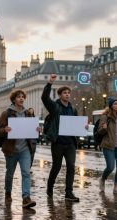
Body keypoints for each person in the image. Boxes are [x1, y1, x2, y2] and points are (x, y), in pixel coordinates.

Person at [0, 90, 37, 208]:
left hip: (25, 149)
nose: (21, 99)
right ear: (14, 99)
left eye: (23, 97)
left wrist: (37, 130)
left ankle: (26, 198)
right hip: (11, 149)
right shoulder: (6, 113)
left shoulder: (28, 113)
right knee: (10, 173)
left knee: (26, 173)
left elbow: (32, 129)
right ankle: (8, 192)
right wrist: (5, 130)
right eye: (19, 97)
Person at [41, 74, 79, 202]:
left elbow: (75, 125)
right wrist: (49, 83)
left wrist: (82, 126)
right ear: (60, 95)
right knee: (56, 167)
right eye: (65, 93)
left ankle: (69, 192)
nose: (67, 95)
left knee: (71, 167)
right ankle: (50, 187)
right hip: (58, 142)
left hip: (70, 143)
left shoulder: (73, 109)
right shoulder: (55, 107)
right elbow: (44, 98)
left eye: (69, 93)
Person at [98, 97, 117, 194]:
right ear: (111, 106)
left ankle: (116, 186)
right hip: (108, 145)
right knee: (110, 167)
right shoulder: (106, 117)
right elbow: (99, 131)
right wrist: (104, 128)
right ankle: (102, 179)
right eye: (115, 104)